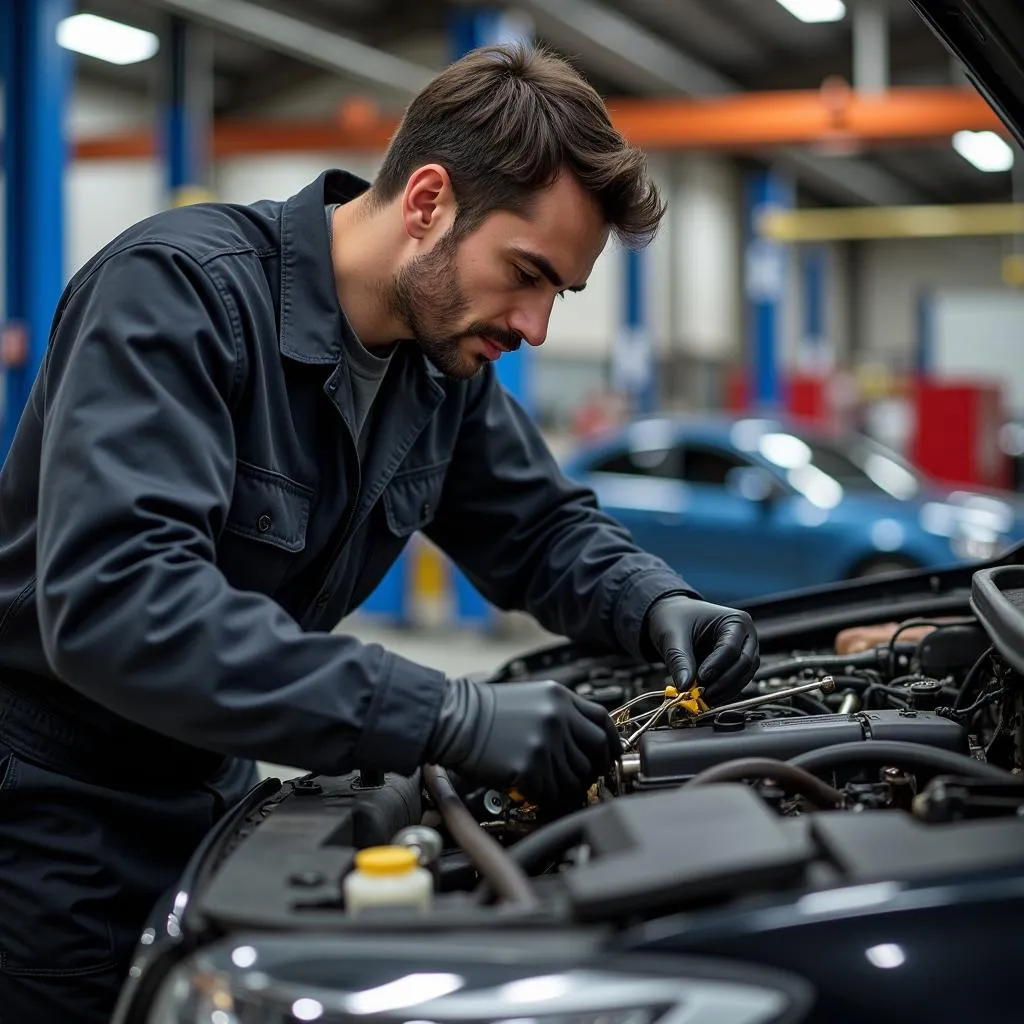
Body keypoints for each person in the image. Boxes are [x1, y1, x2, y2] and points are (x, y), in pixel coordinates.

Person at [0, 42, 758, 1023]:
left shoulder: (440, 371)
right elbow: (120, 608)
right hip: (58, 814)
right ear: (428, 201)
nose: (533, 325)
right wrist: (446, 714)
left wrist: (658, 600)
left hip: (217, 786)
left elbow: (540, 528)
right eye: (526, 272)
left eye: (556, 294)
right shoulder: (178, 295)